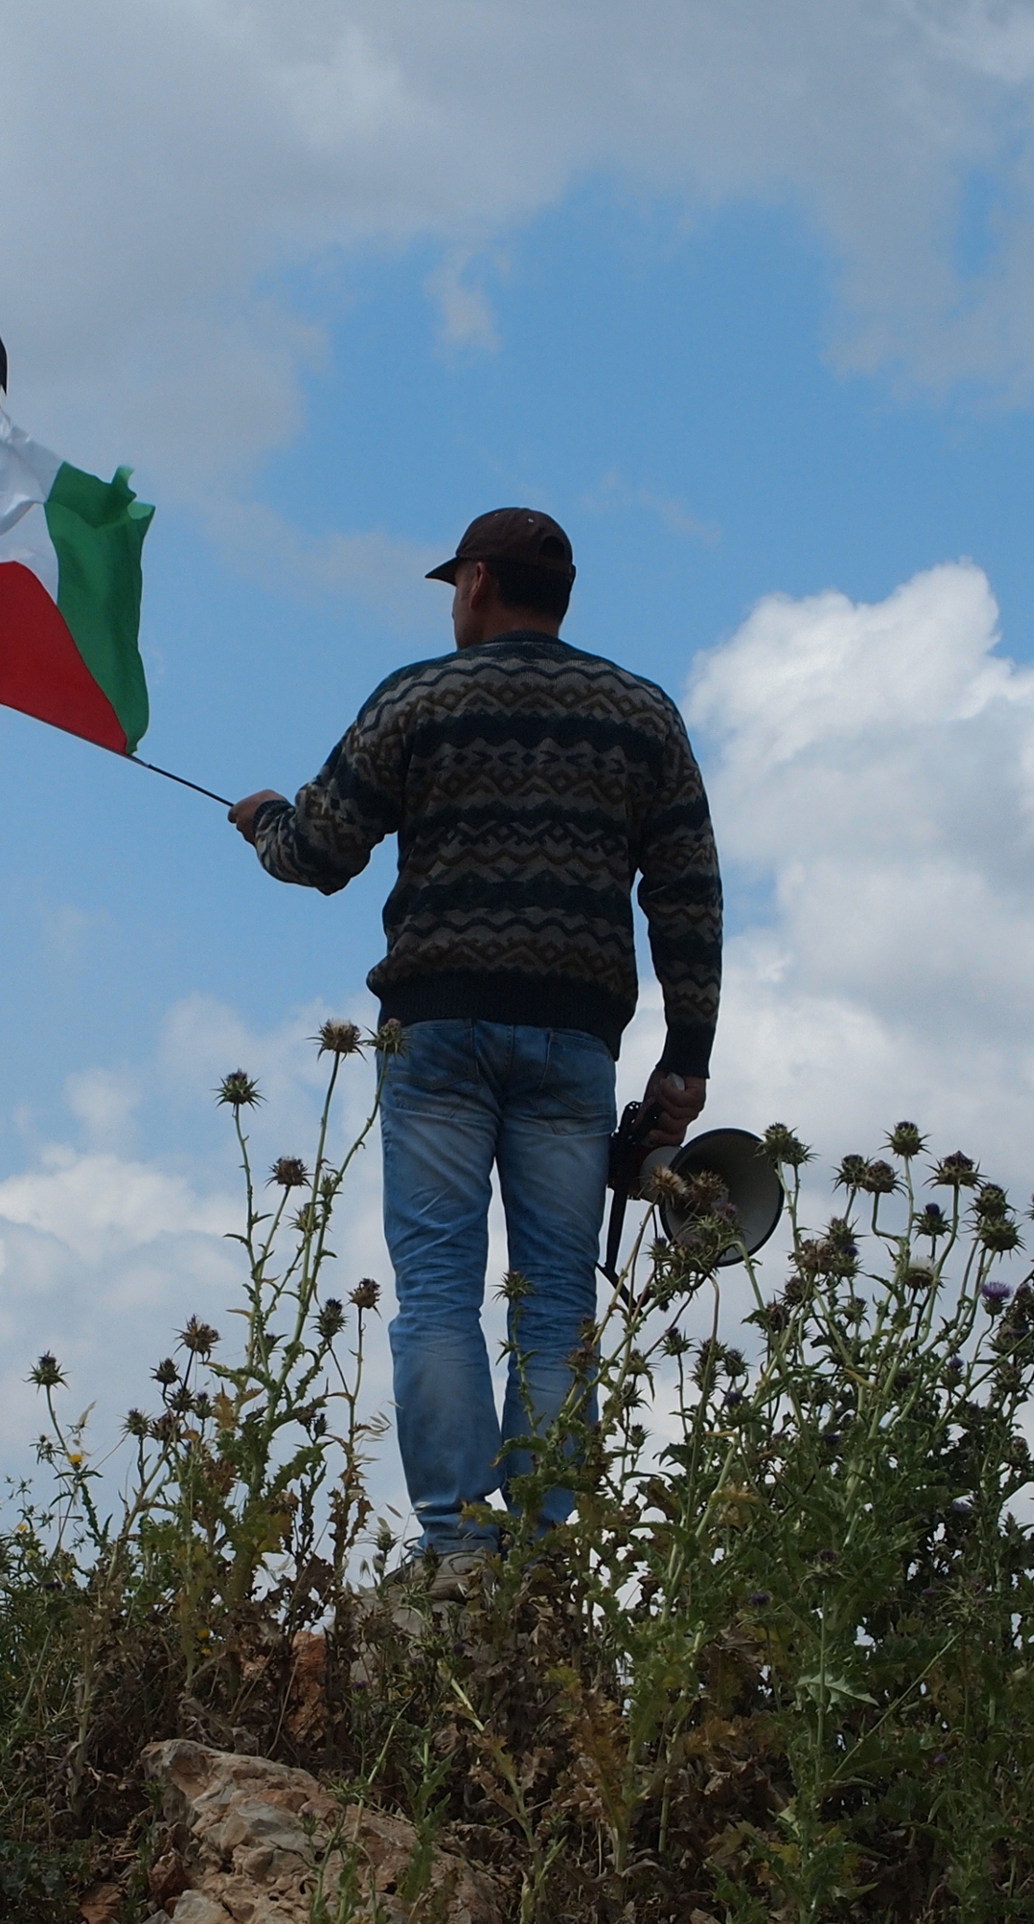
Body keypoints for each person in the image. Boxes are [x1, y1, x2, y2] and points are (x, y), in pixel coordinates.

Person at [229, 508, 721, 1585]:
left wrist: (263, 817)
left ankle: (458, 1544)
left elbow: (319, 850)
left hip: (438, 1032)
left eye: (456, 583)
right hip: (573, 1045)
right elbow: (687, 893)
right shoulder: (642, 715)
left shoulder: (420, 696)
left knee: (442, 1292)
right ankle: (545, 1548)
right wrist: (686, 1059)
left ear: (480, 583)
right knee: (555, 1301)